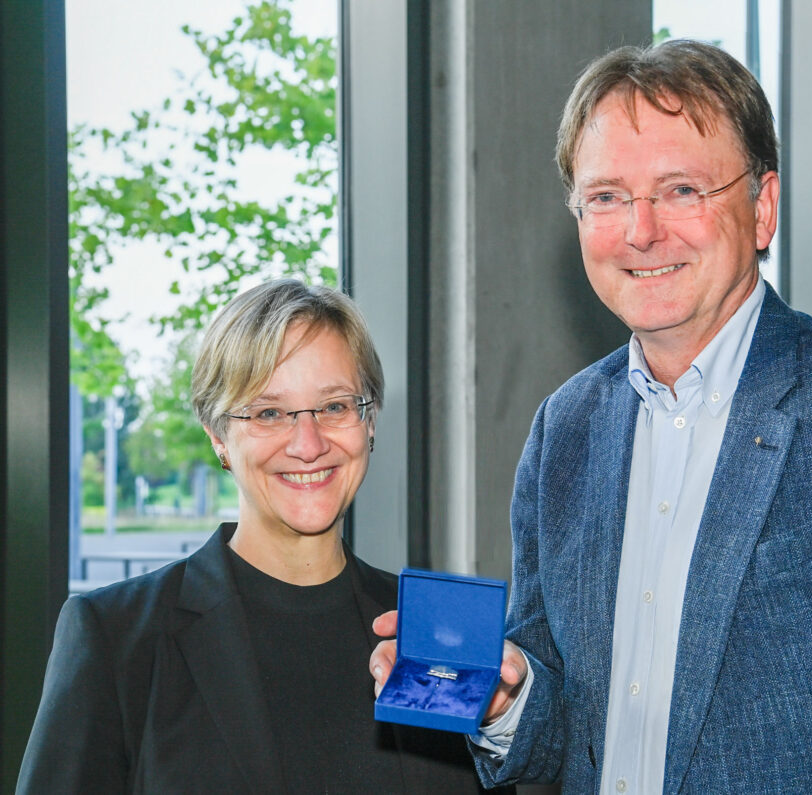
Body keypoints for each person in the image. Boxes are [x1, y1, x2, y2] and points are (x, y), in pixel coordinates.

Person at [372, 39, 812, 792]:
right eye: (607, 196)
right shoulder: (566, 429)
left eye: (681, 190)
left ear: (763, 208)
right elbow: (582, 735)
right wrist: (510, 700)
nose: (641, 230)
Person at [18, 279, 492, 793]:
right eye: (269, 413)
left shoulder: (439, 631)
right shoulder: (115, 638)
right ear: (219, 437)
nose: (308, 445)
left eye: (334, 406)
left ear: (369, 420)